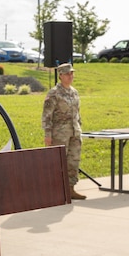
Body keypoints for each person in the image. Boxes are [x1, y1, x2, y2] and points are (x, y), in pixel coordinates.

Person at [42, 63, 85, 200]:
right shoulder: (54, 93)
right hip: (59, 133)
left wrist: (79, 127)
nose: (70, 76)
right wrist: (47, 134)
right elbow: (47, 115)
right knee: (57, 162)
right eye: (67, 74)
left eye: (72, 73)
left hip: (74, 131)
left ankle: (70, 188)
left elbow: (77, 112)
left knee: (73, 161)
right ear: (60, 75)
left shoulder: (74, 92)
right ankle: (55, 191)